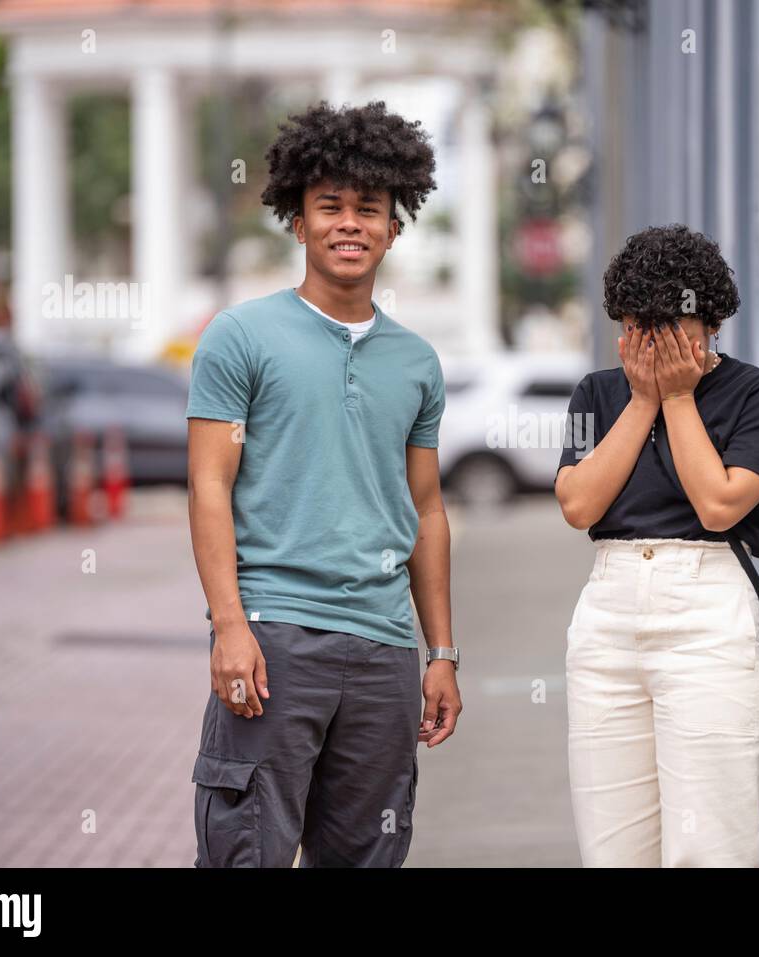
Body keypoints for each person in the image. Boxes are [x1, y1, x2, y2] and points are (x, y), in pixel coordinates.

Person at [185, 100, 462, 868]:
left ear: (394, 228)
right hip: (275, 638)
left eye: (368, 209)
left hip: (383, 652)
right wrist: (230, 626)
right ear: (298, 222)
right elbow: (209, 487)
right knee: (248, 853)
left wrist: (440, 650)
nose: (350, 223)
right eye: (330, 207)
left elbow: (427, 509)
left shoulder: (416, 363)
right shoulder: (240, 337)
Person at [554, 223, 759, 867]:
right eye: (641, 325)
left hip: (706, 611)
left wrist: (680, 397)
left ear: (711, 320)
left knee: (708, 842)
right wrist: (641, 401)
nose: (657, 341)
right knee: (614, 847)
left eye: (674, 325)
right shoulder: (597, 394)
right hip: (608, 612)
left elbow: (719, 506)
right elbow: (579, 505)